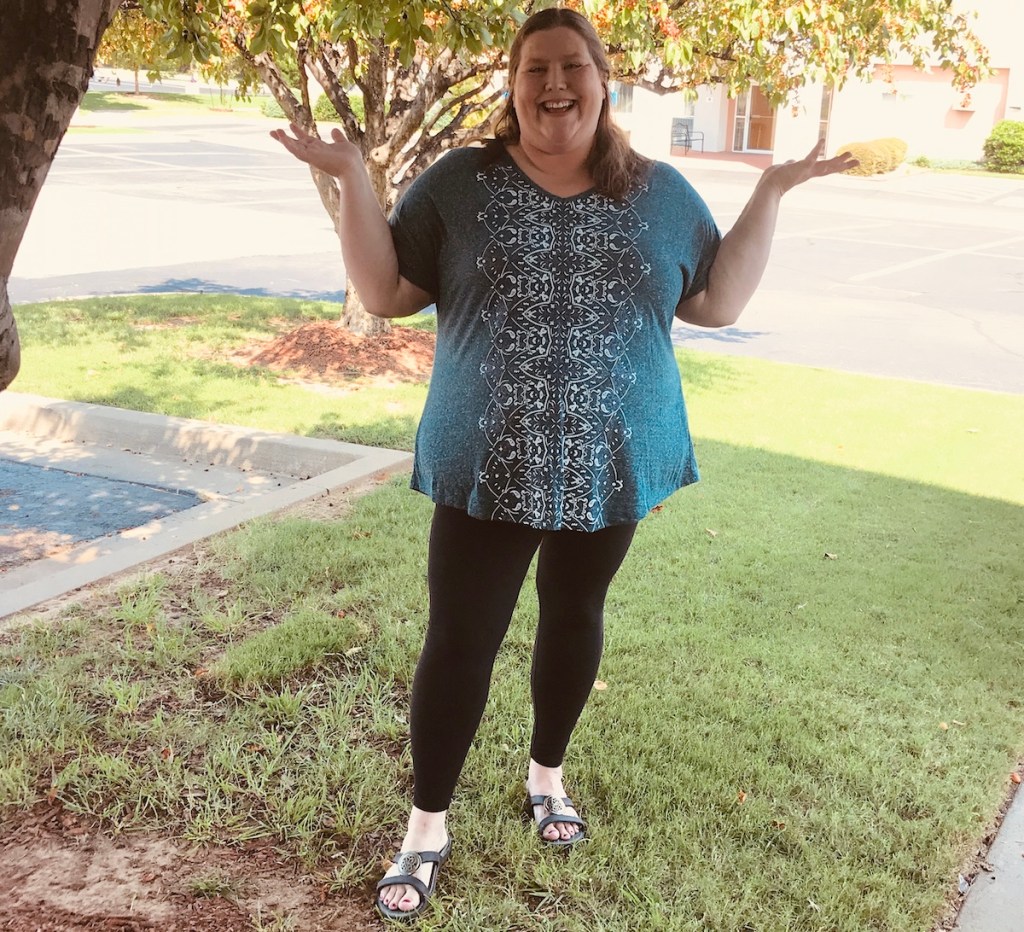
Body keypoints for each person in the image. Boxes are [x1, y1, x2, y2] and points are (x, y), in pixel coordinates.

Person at [271, 7, 856, 921]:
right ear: (512, 83)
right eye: (535, 68)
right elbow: (384, 293)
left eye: (571, 67)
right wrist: (351, 176)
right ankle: (427, 827)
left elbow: (717, 299)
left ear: (602, 79)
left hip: (610, 456)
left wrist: (772, 188)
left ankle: (548, 776)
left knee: (575, 612)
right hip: (486, 459)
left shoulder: (657, 193)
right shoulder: (460, 183)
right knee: (461, 637)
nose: (554, 85)